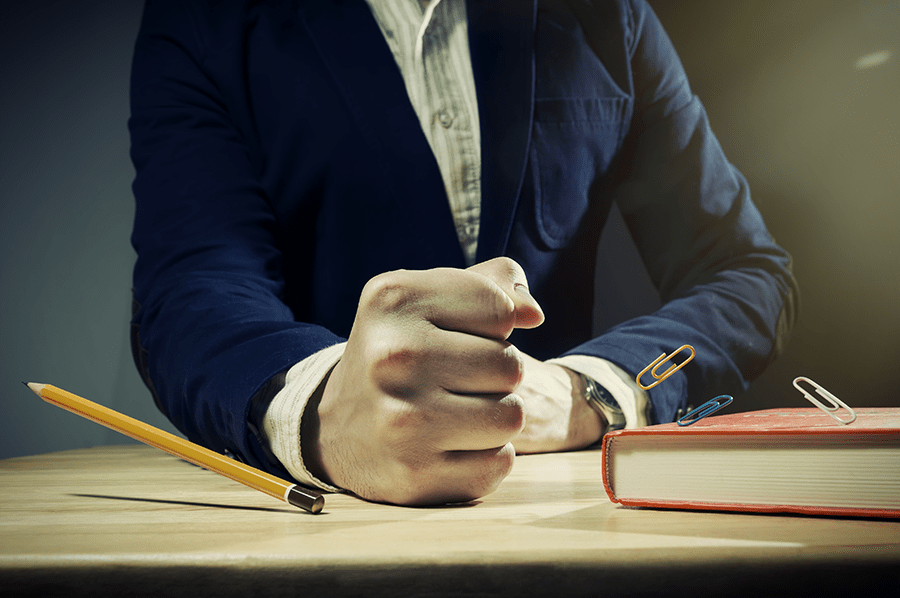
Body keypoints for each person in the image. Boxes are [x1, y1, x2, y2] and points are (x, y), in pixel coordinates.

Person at [128, 0, 798, 506]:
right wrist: (323, 411)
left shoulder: (609, 14)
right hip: (321, 518)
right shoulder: (204, 20)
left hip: (568, 509)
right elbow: (191, 289)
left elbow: (744, 273)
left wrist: (591, 389)